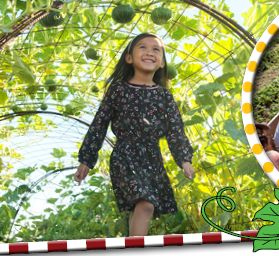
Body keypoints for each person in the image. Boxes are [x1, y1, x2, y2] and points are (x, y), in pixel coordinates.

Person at [74, 33, 196, 237]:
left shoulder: (164, 96)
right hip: (126, 154)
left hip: (152, 158)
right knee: (146, 204)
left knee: (142, 205)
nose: (150, 52)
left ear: (162, 63)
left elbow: (175, 129)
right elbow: (100, 123)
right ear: (129, 58)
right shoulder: (118, 89)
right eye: (143, 47)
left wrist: (184, 159)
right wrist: (86, 159)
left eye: (156, 49)